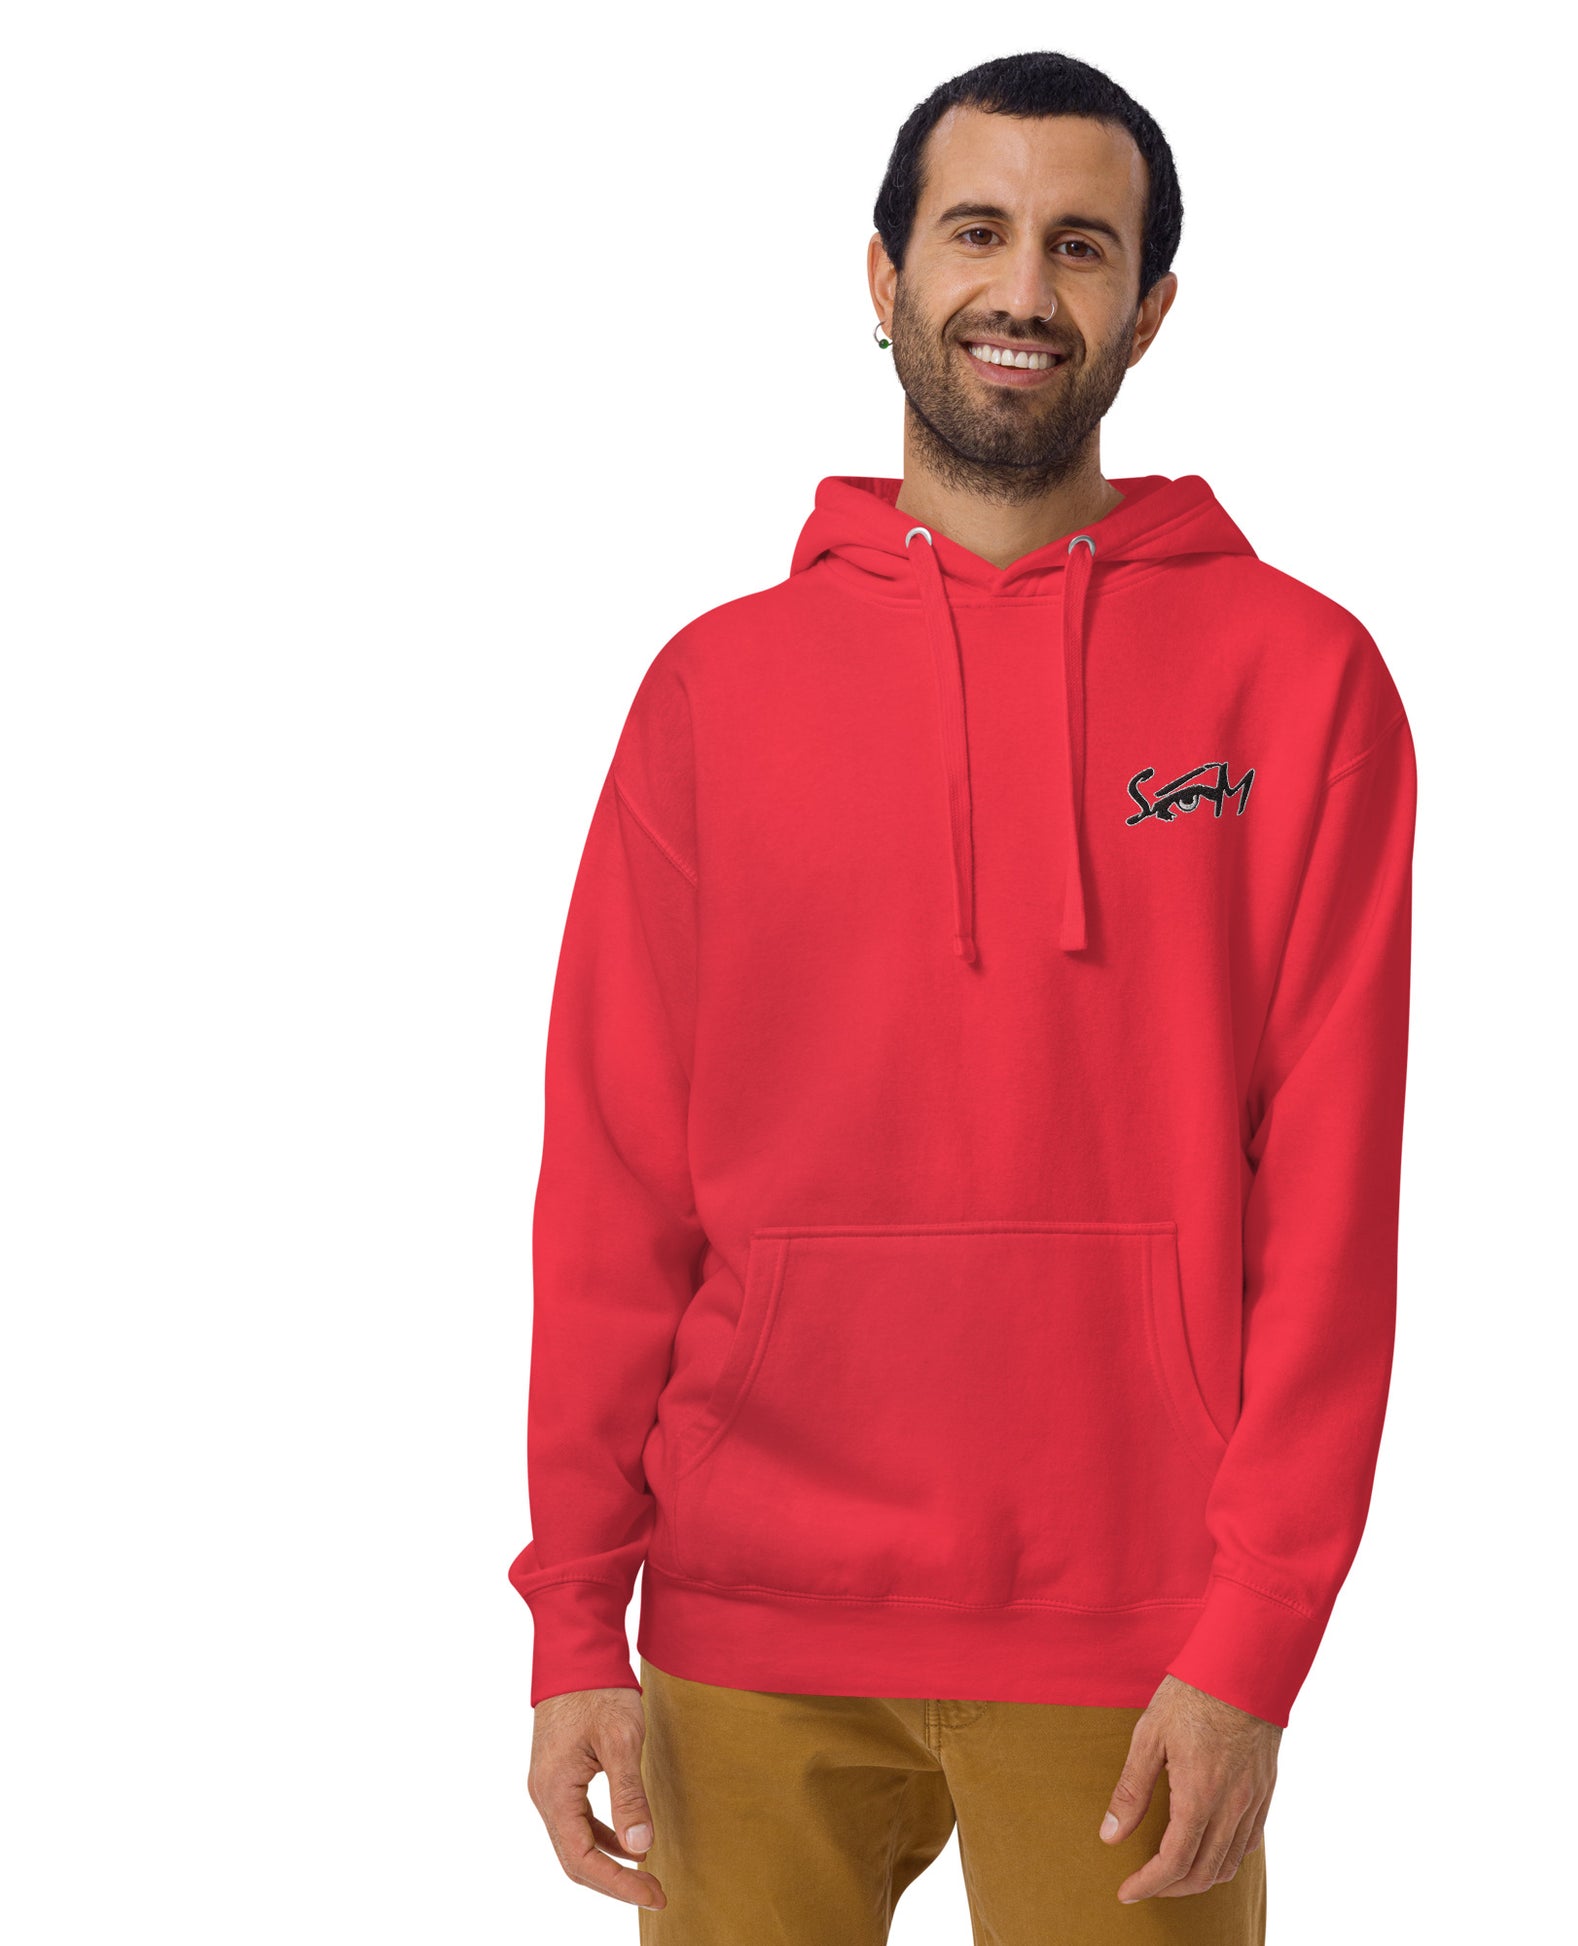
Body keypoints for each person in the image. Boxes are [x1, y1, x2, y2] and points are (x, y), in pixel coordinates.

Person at [509, 49, 1417, 1944]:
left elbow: (1330, 1206)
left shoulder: (1298, 680)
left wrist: (1257, 1632)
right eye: (975, 231)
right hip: (747, 1619)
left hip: (1138, 1632)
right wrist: (577, 1610)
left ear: (1149, 308)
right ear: (884, 275)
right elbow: (610, 1183)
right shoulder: (712, 693)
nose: (1021, 288)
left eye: (1080, 246)